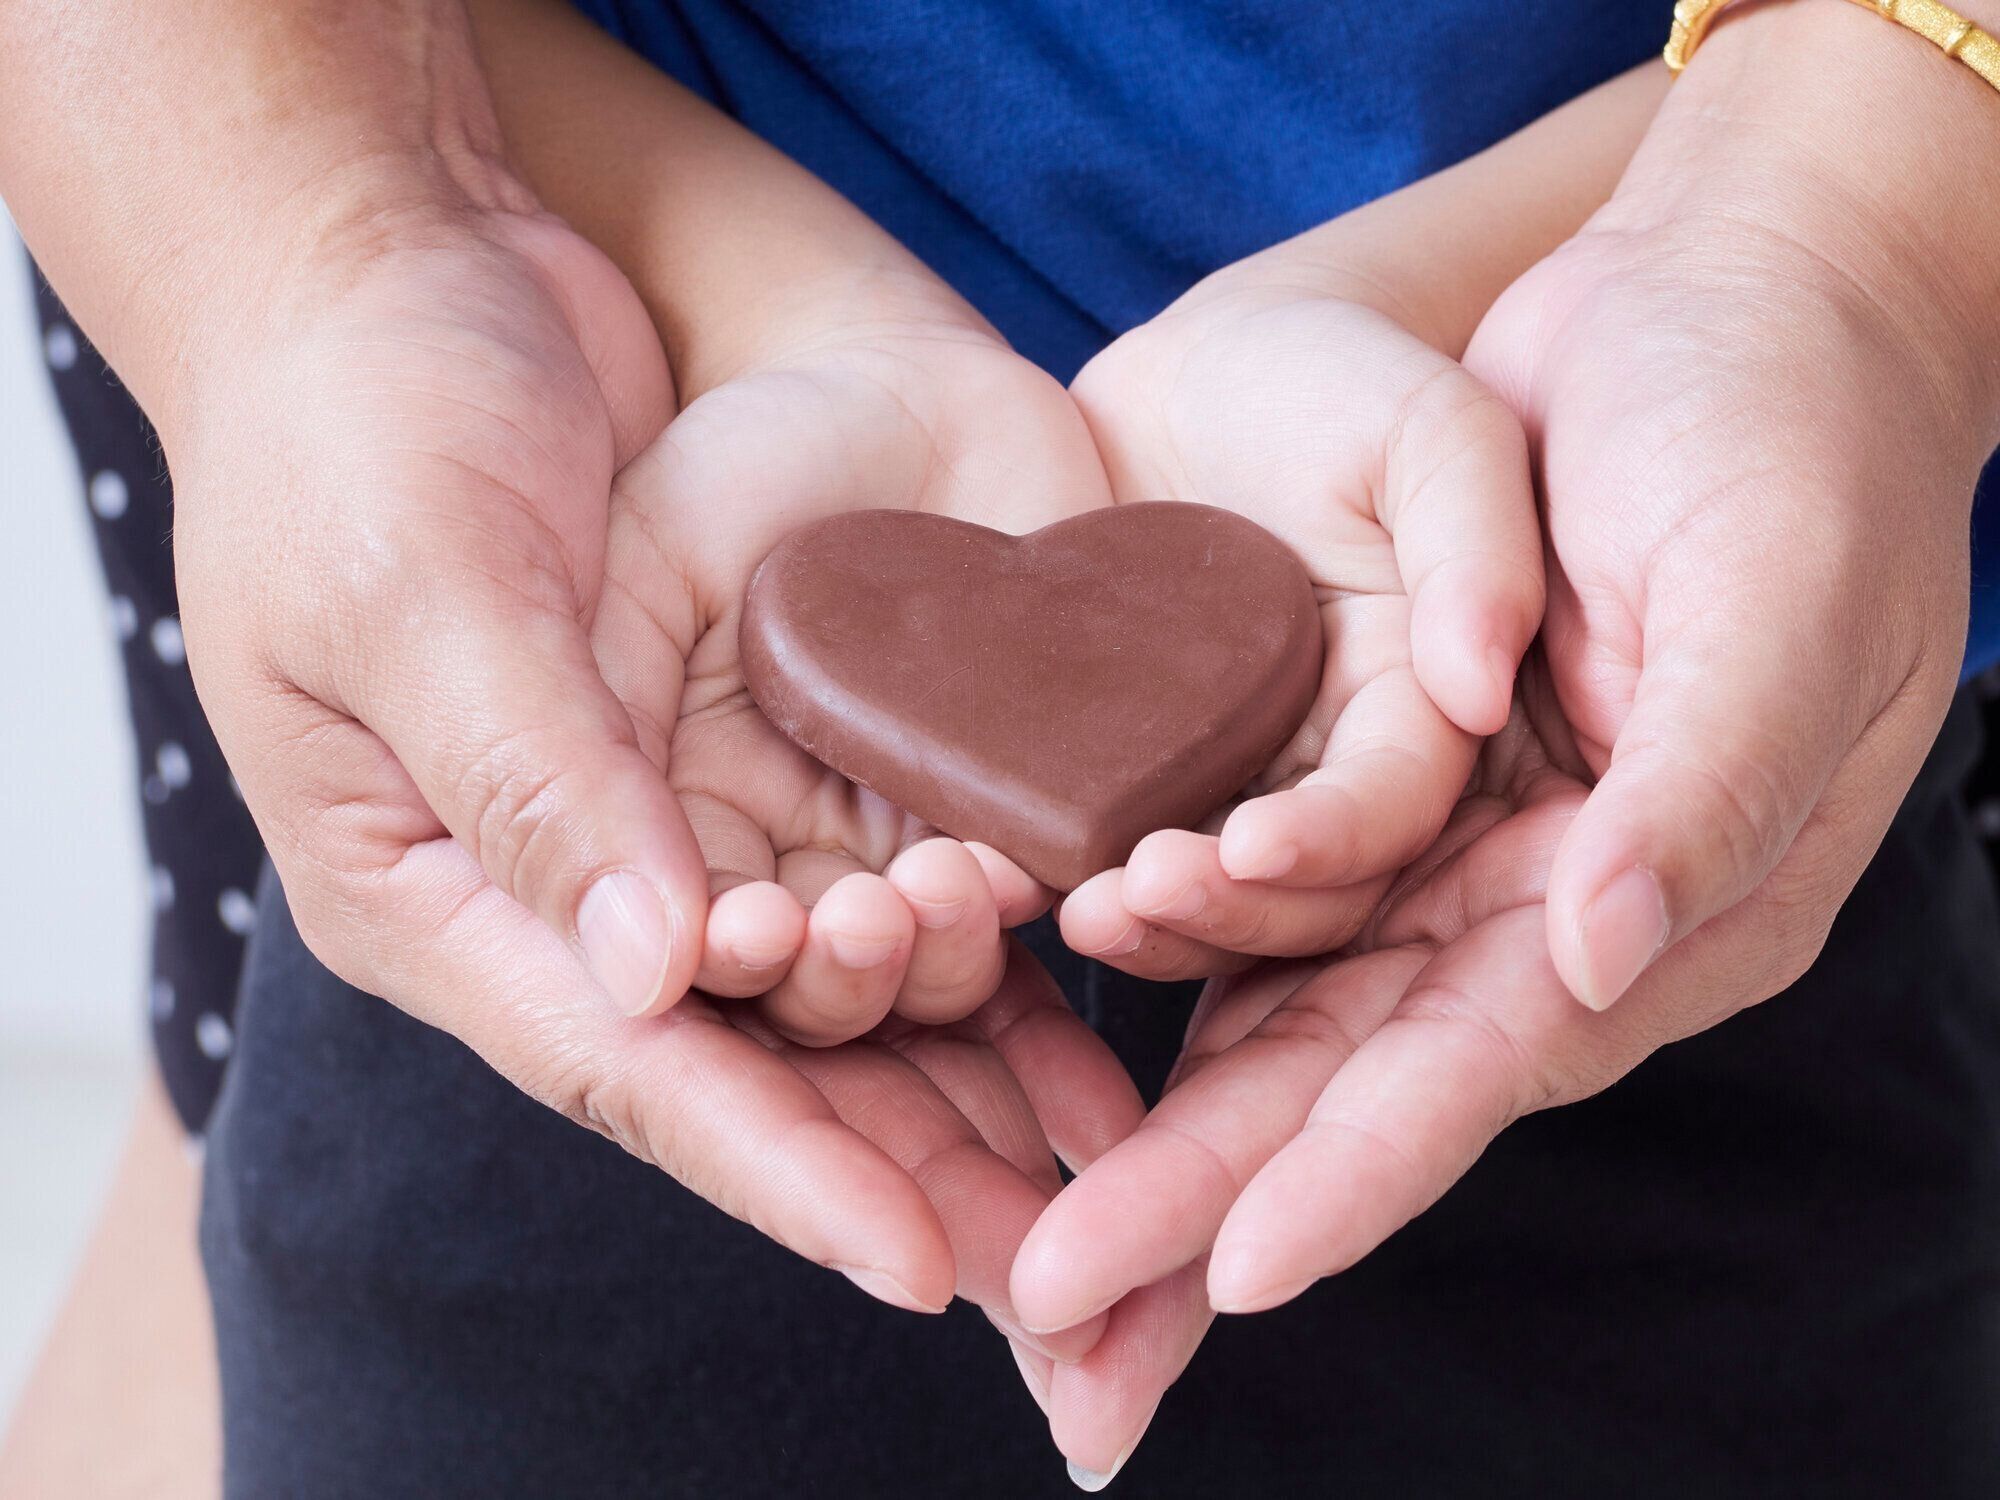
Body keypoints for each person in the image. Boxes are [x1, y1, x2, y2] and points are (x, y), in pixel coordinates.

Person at [2, 0, 1997, 1494]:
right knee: (311, 1056)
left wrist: (1850, 239)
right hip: (570, 420)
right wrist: (334, 228)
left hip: (1659, 568)